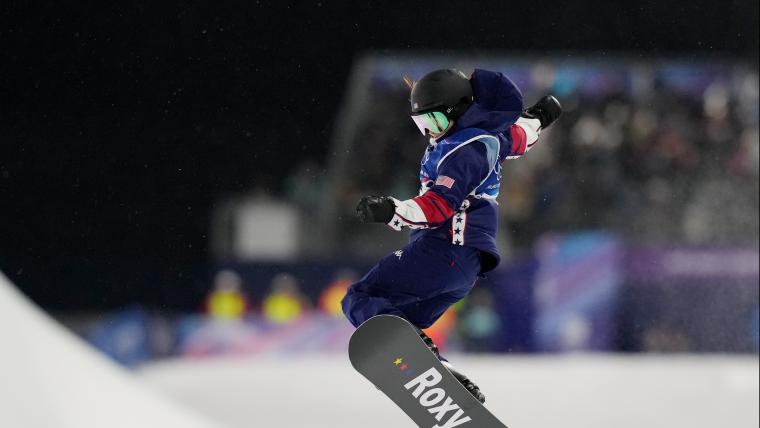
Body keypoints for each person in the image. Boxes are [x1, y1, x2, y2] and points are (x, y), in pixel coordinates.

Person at [342, 68, 561, 402]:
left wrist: (392, 209)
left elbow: (438, 205)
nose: (430, 131)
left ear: (458, 111)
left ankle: (413, 357)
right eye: (422, 123)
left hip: (444, 250)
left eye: (436, 121)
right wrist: (540, 117)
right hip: (464, 267)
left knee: (360, 296)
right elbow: (520, 136)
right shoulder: (488, 136)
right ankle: (436, 370)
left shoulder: (465, 150)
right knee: (398, 322)